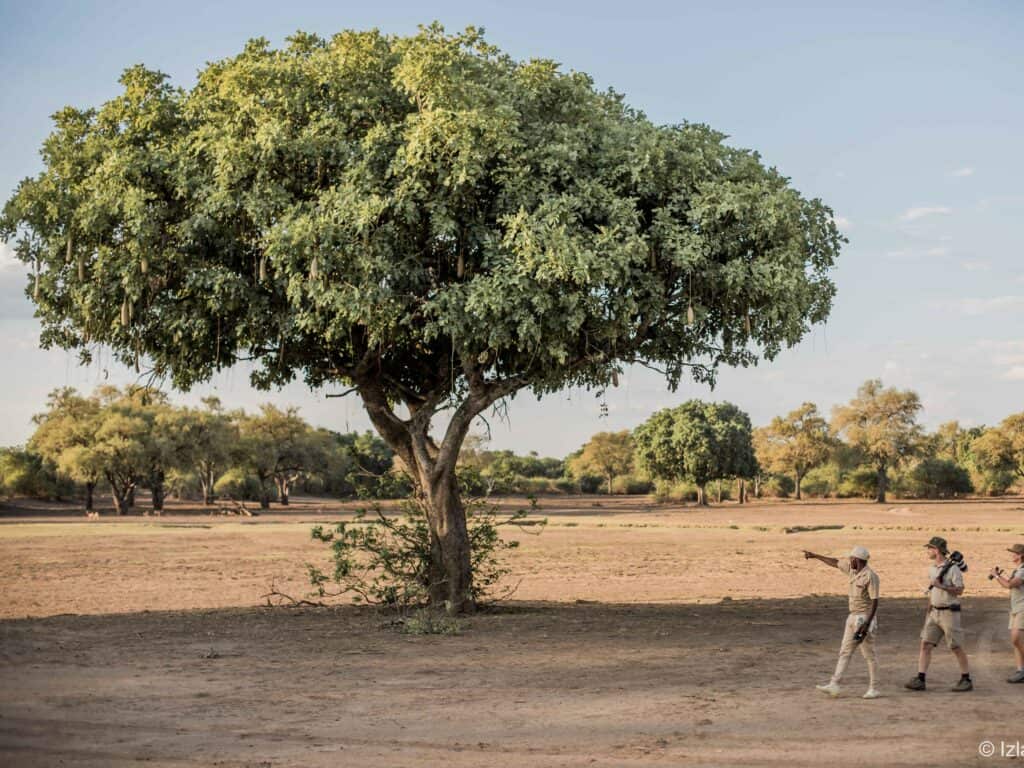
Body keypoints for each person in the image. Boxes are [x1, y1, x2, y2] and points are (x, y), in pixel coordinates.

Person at [803, 545, 880, 699]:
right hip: (852, 617)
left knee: (869, 654)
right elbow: (834, 562)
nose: (849, 560)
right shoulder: (852, 570)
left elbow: (874, 602)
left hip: (864, 618)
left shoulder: (870, 577)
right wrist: (815, 555)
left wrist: (866, 625)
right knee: (845, 651)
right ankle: (835, 684)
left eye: (851, 558)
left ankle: (874, 687)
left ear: (857, 560)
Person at [905, 536, 972, 692]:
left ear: (937, 550)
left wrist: (942, 586)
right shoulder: (932, 569)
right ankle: (920, 678)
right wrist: (928, 612)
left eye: (930, 548)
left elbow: (960, 590)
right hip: (934, 612)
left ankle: (966, 679)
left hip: (949, 613)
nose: (927, 551)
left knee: (956, 646)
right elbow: (933, 592)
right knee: (925, 644)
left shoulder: (953, 569)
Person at [989, 543, 1024, 683]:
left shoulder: (1022, 570)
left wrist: (996, 576)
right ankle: (1020, 670)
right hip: (1015, 608)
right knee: (1016, 641)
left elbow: (1009, 585)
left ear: (1021, 555)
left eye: (1014, 553)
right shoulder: (1018, 570)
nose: (1012, 554)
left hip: (1022, 607)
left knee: (1016, 638)